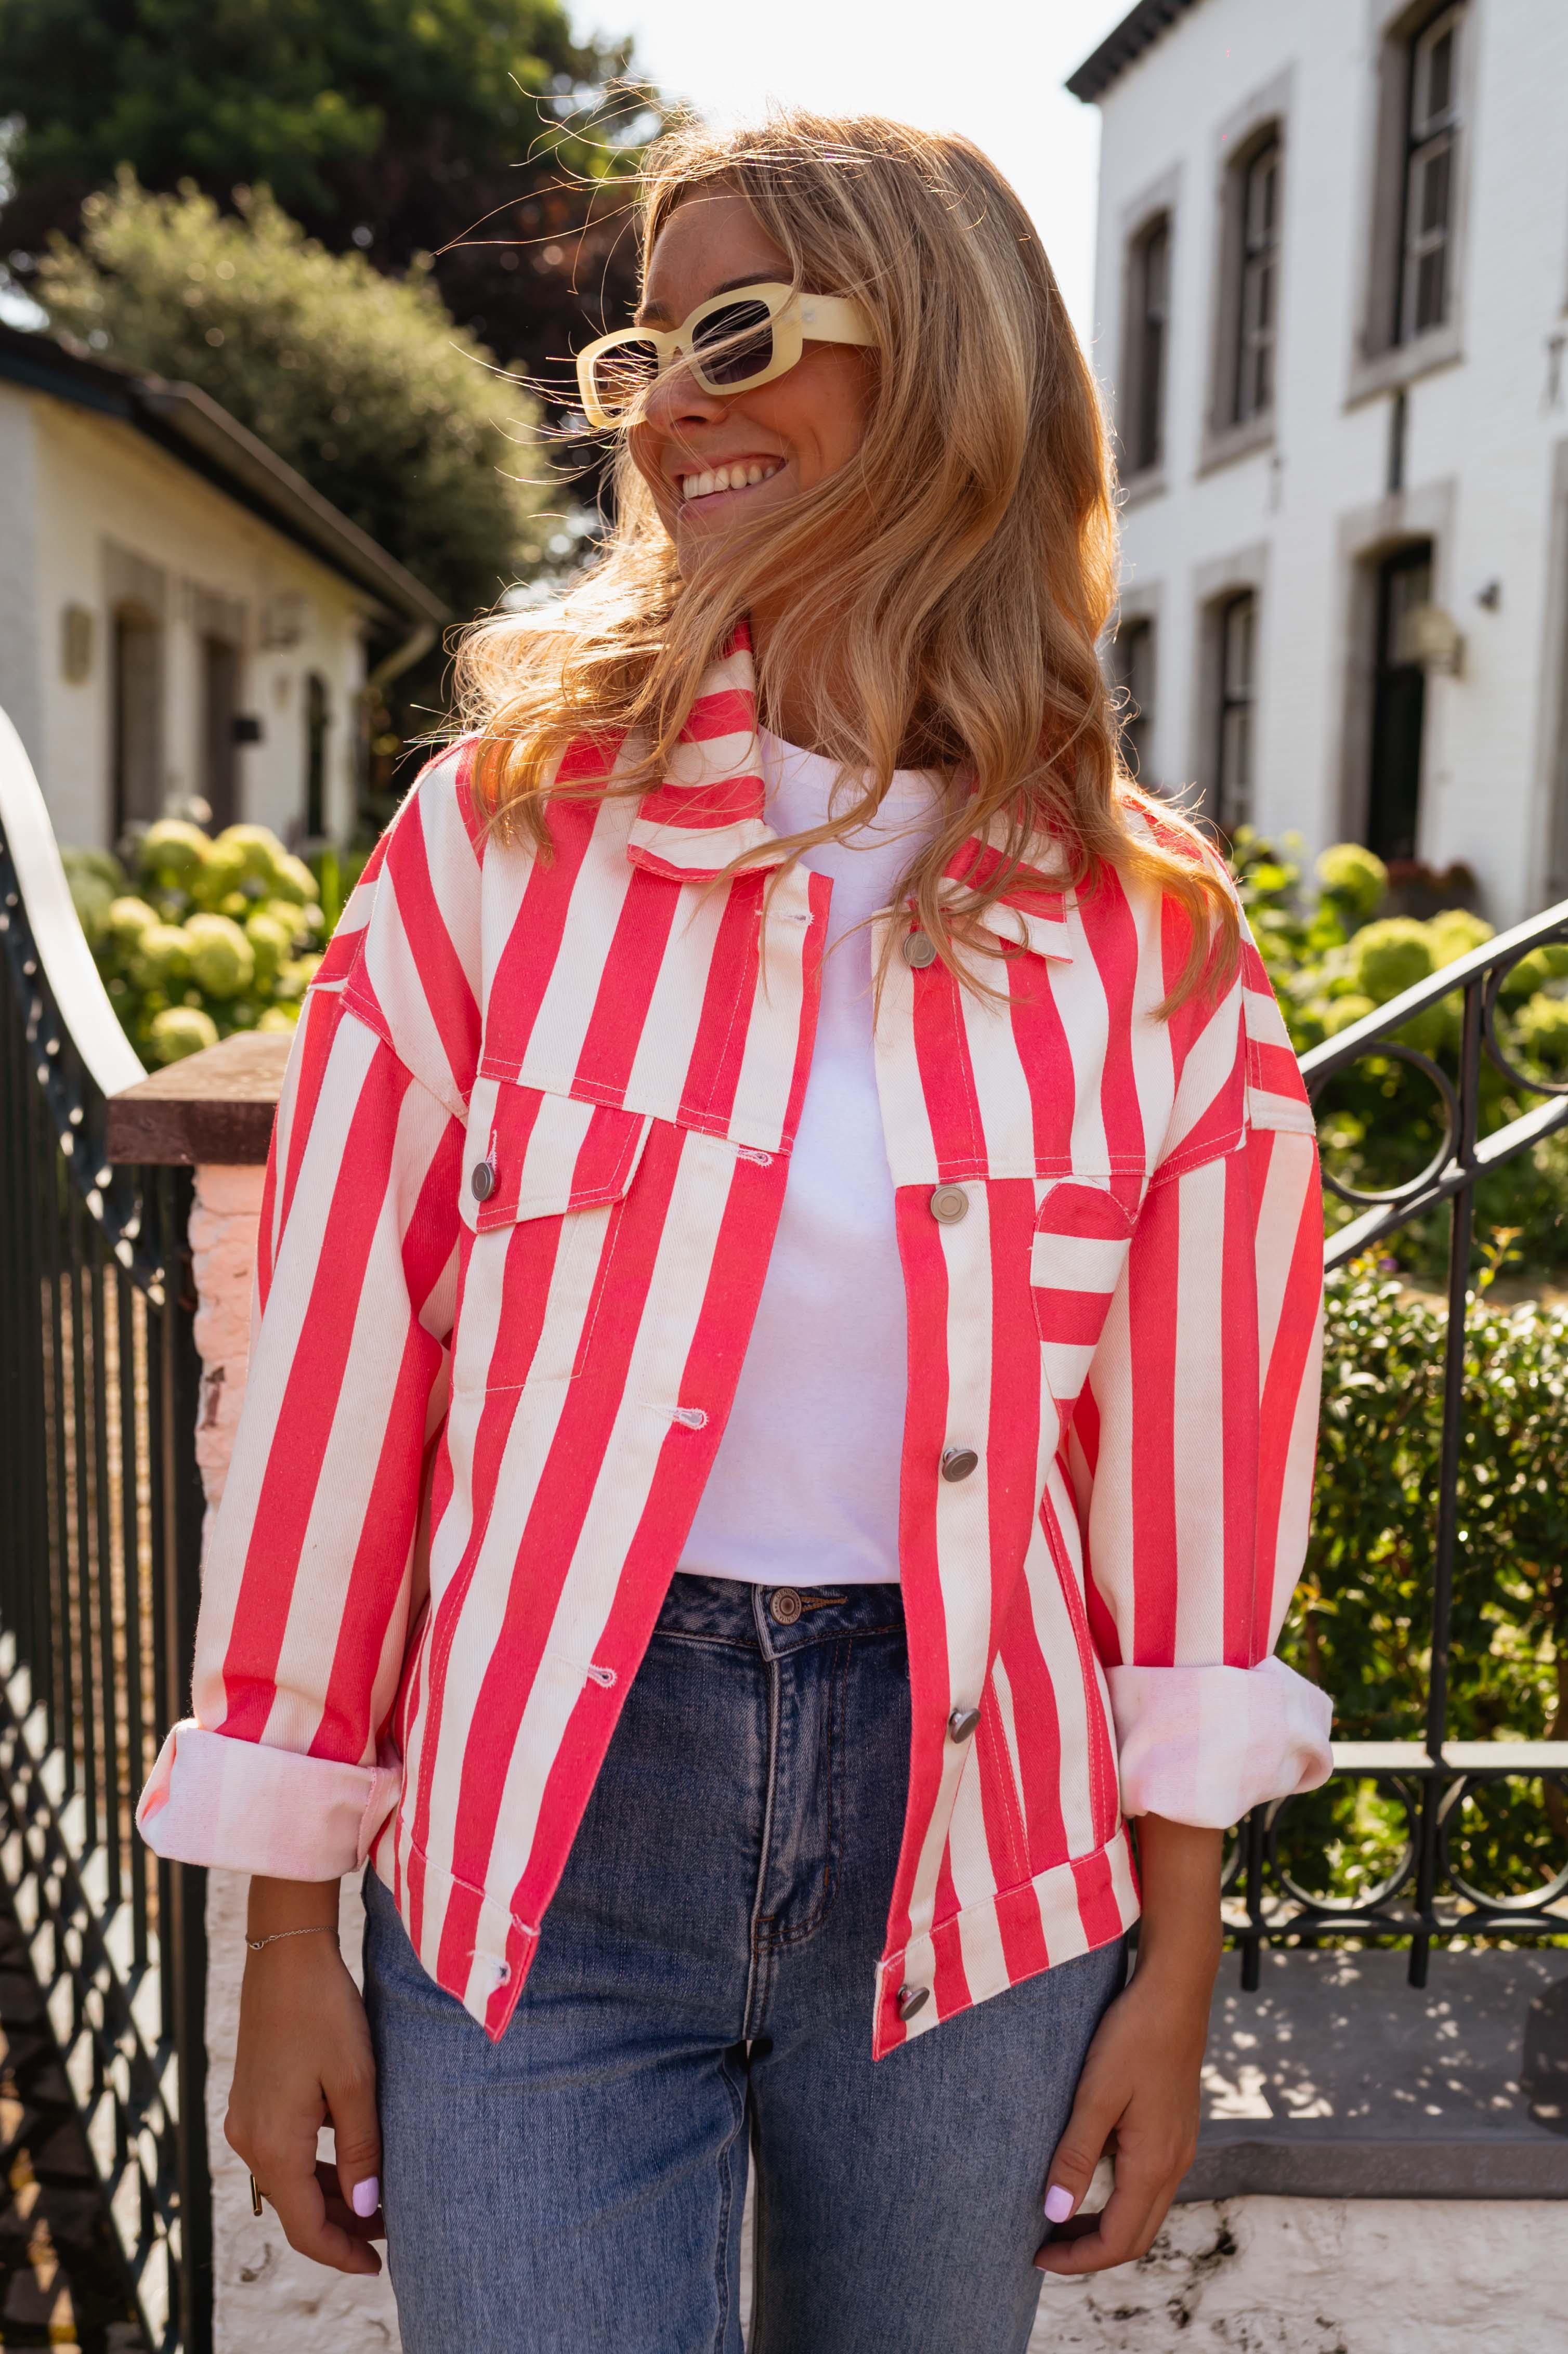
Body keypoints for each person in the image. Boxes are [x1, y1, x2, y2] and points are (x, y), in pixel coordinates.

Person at [137, 111, 1331, 2353]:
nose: (673, 400)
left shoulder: (1148, 933)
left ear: (952, 368)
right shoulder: (499, 842)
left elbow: (1193, 1490)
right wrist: (287, 1936)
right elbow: (332, 1397)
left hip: (977, 1851)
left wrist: (1172, 1966)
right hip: (543, 1837)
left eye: (745, 332)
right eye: (643, 354)